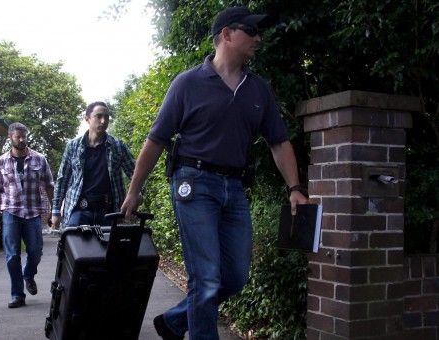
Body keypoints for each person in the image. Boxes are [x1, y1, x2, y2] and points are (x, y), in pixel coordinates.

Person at [120, 7, 309, 340]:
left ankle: (177, 321)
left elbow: (279, 142)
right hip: (194, 184)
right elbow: (157, 139)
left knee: (235, 276)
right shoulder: (188, 83)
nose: (258, 38)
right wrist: (135, 189)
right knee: (205, 277)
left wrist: (295, 186)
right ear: (227, 34)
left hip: (234, 188)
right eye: (251, 31)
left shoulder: (258, 89)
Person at [0, 122, 54, 308]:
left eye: (24, 136)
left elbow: (49, 185)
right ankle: (17, 294)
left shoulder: (39, 159)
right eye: (18, 136)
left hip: (33, 213)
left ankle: (28, 274)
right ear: (10, 138)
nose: (22, 140)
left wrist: (54, 210)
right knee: (12, 255)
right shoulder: (1, 162)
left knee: (35, 251)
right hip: (11, 213)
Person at [51, 101, 138, 229]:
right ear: (87, 119)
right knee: (73, 246)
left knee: (109, 249)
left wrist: (137, 194)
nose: (103, 121)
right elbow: (62, 180)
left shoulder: (118, 146)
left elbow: (136, 174)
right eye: (98, 116)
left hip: (109, 211)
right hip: (79, 210)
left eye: (107, 117)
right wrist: (56, 211)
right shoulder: (73, 146)